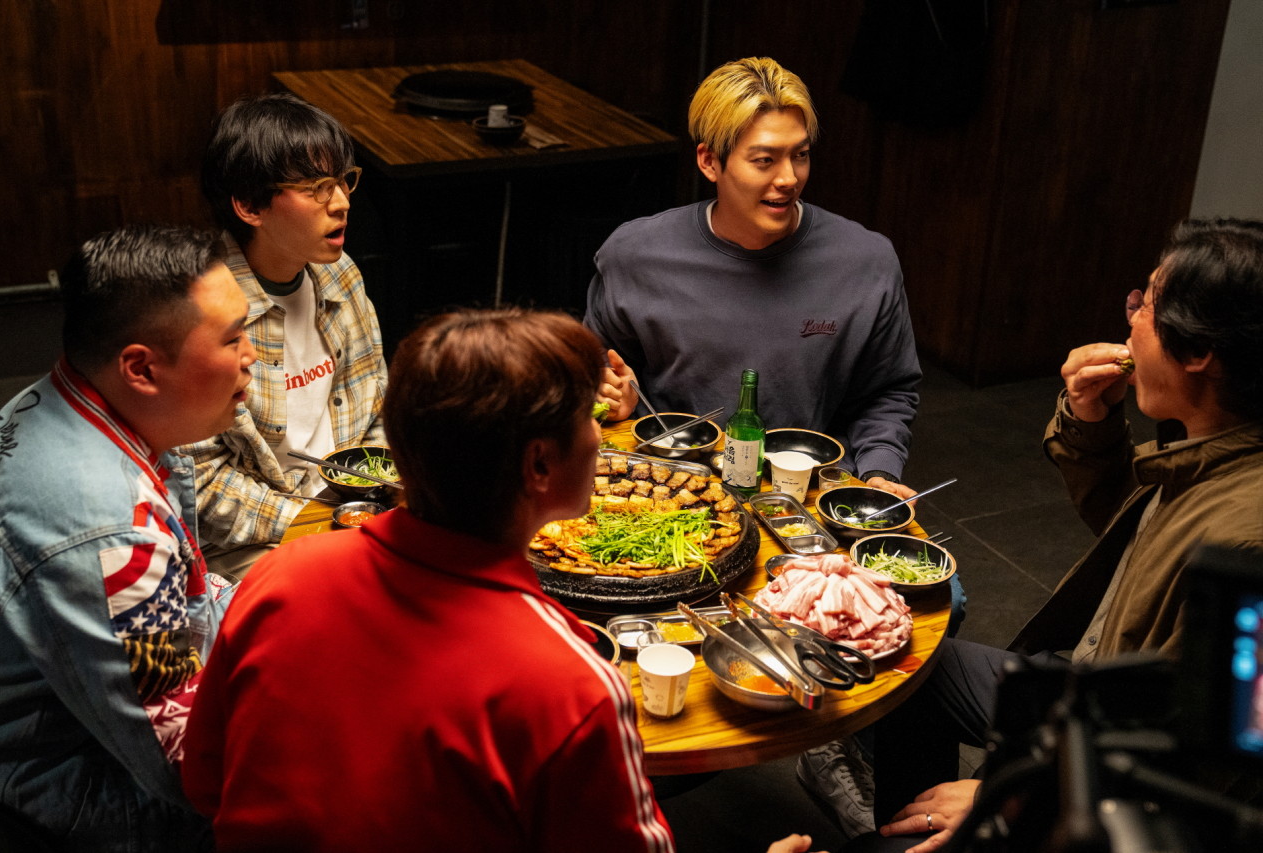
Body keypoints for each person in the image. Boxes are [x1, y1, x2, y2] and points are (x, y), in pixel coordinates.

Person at [181, 307, 826, 853]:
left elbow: (205, 782)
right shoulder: (568, 683)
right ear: (539, 465)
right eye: (589, 417)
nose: (601, 435)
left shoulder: (279, 577)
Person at [853, 218, 1263, 853]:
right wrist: (1091, 421)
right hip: (1093, 688)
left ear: (1199, 353)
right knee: (912, 671)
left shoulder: (1246, 546)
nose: (1131, 321)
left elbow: (1200, 770)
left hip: (1121, 782)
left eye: (1147, 304)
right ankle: (920, 827)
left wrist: (1010, 798)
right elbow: (1141, 540)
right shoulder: (1215, 446)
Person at [0, 224, 252, 851]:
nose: (252, 356)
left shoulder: (73, 400)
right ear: (141, 367)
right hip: (60, 772)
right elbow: (187, 765)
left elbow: (187, 602)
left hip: (88, 716)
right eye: (233, 337)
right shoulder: (110, 532)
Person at [587, 56, 921, 500]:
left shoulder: (865, 261)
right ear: (710, 161)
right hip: (670, 487)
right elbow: (596, 371)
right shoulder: (635, 255)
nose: (789, 178)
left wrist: (879, 467)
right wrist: (613, 400)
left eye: (800, 155)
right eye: (765, 160)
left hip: (804, 497)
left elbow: (887, 390)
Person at [178, 92, 387, 581]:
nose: (342, 202)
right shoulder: (201, 311)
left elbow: (377, 405)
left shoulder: (340, 274)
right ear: (250, 205)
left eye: (344, 181)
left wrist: (376, 500)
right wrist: (322, 524)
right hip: (254, 539)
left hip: (350, 508)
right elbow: (203, 485)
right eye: (317, 188)